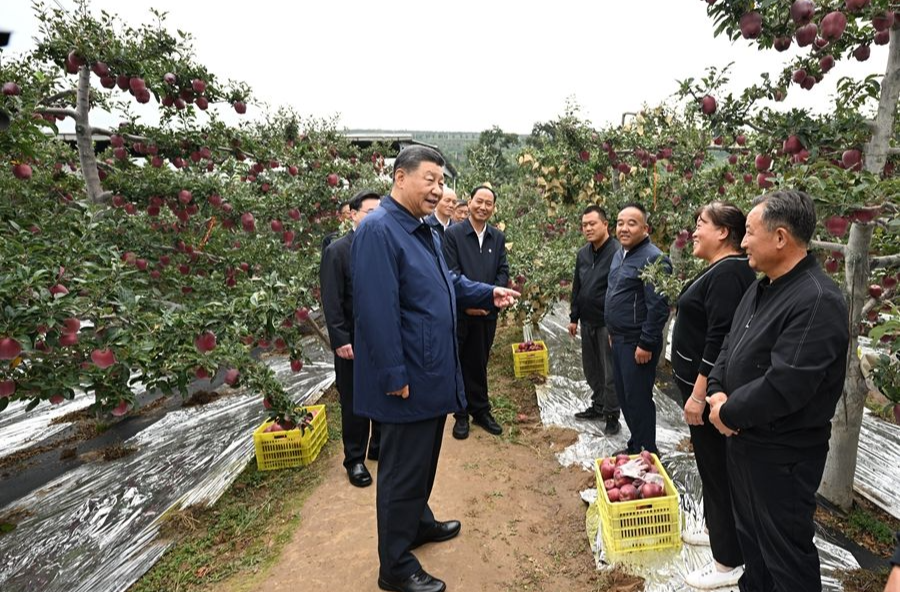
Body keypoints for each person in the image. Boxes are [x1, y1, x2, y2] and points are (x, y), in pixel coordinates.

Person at [352, 146, 519, 592]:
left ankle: (418, 522)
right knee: (401, 471)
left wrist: (487, 293)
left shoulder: (422, 229)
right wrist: (393, 376)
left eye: (442, 181)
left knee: (423, 461)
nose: (438, 189)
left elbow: (448, 283)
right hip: (407, 377)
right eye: (430, 179)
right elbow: (376, 312)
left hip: (429, 371)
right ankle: (396, 566)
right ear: (400, 177)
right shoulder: (379, 230)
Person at [707, 189, 849, 592]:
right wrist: (717, 388)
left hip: (782, 457)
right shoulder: (761, 287)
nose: (744, 241)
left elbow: (786, 384)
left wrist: (727, 413)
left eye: (750, 233)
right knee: (753, 544)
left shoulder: (817, 300)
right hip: (745, 446)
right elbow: (728, 346)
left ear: (781, 238)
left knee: (785, 553)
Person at [671, 202, 756, 589]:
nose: (694, 230)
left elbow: (719, 337)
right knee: (714, 469)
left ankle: (727, 562)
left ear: (724, 232)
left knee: (718, 472)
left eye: (700, 222)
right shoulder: (724, 270)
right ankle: (720, 533)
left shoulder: (727, 274)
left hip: (707, 394)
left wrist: (699, 393)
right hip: (706, 390)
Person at [320, 189, 382, 488]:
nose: (376, 217)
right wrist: (340, 338)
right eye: (370, 212)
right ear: (353, 214)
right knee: (355, 400)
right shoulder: (338, 251)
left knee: (384, 391)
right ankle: (354, 458)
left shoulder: (383, 246)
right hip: (352, 340)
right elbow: (331, 301)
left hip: (380, 337)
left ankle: (377, 444)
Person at [443, 185, 509, 440]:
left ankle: (480, 410)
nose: (483, 207)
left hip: (487, 313)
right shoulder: (453, 235)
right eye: (478, 201)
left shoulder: (497, 237)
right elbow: (451, 273)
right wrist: (468, 301)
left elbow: (502, 271)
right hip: (462, 312)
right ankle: (460, 414)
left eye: (488, 204)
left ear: (493, 208)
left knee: (479, 362)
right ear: (469, 202)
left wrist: (492, 298)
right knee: (459, 362)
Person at [604, 203, 670, 456]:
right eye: (620, 223)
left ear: (645, 228)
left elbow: (658, 307)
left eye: (632, 223)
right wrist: (612, 330)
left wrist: (646, 342)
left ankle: (647, 450)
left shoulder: (654, 259)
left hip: (636, 342)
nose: (624, 228)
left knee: (638, 398)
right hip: (619, 338)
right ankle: (636, 444)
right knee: (624, 395)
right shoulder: (619, 255)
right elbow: (614, 293)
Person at [568, 205, 621, 435]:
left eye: (592, 224)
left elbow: (619, 291)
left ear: (605, 224)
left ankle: (612, 415)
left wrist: (616, 326)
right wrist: (574, 316)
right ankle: (598, 405)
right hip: (588, 321)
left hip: (607, 323)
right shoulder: (583, 254)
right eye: (584, 225)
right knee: (591, 369)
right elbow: (577, 287)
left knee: (610, 373)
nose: (588, 228)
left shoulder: (617, 252)